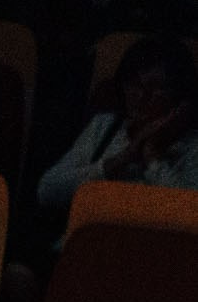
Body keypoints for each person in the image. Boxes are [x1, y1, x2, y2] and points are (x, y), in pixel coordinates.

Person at [36, 32, 198, 218]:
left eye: (155, 89)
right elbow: (47, 191)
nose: (141, 96)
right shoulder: (104, 126)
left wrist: (153, 157)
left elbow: (187, 217)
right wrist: (123, 158)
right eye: (134, 85)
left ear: (178, 97)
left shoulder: (192, 147)